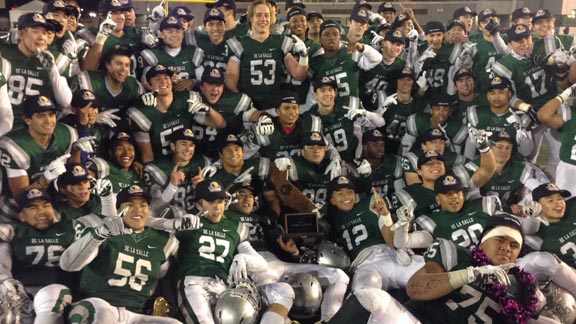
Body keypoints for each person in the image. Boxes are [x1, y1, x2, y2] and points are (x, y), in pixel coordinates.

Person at [327, 214, 544, 324]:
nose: (506, 248)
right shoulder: (455, 253)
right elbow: (416, 289)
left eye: (514, 245)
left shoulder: (523, 284)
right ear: (482, 242)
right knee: (371, 297)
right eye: (500, 240)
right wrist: (471, 273)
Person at [226, 181, 349, 323]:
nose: (247, 198)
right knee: (280, 300)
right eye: (242, 194)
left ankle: (328, 320)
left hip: (277, 263)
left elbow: (273, 209)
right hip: (255, 270)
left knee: (339, 276)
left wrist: (293, 252)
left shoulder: (263, 219)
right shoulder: (225, 218)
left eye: (250, 196)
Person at [60, 185, 183, 324]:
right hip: (94, 305)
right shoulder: (103, 230)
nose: (137, 210)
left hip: (134, 314)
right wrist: (99, 234)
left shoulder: (164, 241)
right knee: (103, 315)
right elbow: (68, 264)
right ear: (118, 210)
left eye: (143, 205)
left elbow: (161, 276)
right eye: (130, 205)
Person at [174, 179, 267, 323]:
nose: (217, 207)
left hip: (222, 287)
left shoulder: (236, 228)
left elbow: (263, 265)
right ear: (199, 205)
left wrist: (243, 258)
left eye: (220, 201)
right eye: (211, 202)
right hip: (193, 283)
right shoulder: (187, 223)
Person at [0, 95, 91, 221]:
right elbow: (21, 197)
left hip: (51, 194)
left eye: (51, 114)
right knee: (45, 219)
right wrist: (46, 178)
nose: (49, 121)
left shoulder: (66, 133)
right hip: (15, 201)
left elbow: (72, 173)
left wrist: (75, 151)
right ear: (27, 120)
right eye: (41, 116)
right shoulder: (13, 146)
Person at [327, 175, 425, 292]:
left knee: (430, 275)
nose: (346, 197)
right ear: (332, 200)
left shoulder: (369, 205)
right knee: (363, 292)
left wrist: (385, 214)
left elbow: (390, 241)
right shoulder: (330, 220)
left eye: (350, 192)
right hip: (363, 264)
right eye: (339, 194)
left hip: (388, 254)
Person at [0, 187, 74, 324]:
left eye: (46, 206)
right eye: (33, 208)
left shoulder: (69, 228)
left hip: (57, 288)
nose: (41, 211)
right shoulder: (14, 230)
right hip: (21, 291)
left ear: (54, 211)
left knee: (50, 296)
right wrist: (4, 281)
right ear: (22, 215)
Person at [127, 64, 225, 163]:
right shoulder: (142, 114)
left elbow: (220, 124)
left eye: (166, 78)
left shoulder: (186, 100)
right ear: (149, 85)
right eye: (157, 79)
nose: (163, 81)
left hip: (187, 161)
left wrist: (209, 110)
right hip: (161, 164)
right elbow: (147, 157)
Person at [225, 0, 308, 110]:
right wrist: (244, 105)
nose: (263, 19)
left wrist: (304, 56)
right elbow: (231, 84)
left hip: (274, 107)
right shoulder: (240, 44)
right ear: (251, 18)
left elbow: (299, 75)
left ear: (271, 18)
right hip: (248, 108)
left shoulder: (280, 42)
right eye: (258, 15)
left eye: (266, 15)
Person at [0, 12, 72, 131]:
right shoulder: (4, 53)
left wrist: (52, 70)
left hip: (37, 129)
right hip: (6, 123)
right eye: (35, 31)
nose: (41, 37)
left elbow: (65, 101)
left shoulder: (53, 59)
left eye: (44, 33)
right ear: (21, 33)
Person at [393, 174, 502, 250]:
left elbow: (509, 228)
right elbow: (402, 242)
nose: (454, 197)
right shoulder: (430, 222)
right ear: (438, 199)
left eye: (457, 192)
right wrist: (403, 225)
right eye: (448, 194)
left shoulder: (483, 205)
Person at [465, 131, 550, 215]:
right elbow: (468, 198)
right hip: (480, 213)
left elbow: (540, 189)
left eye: (508, 148)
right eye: (499, 146)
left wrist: (522, 205)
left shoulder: (519, 169)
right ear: (489, 148)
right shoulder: (473, 168)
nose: (504, 151)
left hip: (511, 214)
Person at [304, 77, 384, 162]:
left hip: (357, 158)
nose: (327, 94)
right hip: (330, 163)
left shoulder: (348, 104)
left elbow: (380, 123)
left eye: (330, 90)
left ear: (335, 93)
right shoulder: (310, 117)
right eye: (323, 90)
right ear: (315, 95)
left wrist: (365, 113)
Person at [310, 19, 382, 110]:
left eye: (335, 34)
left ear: (340, 37)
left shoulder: (351, 52)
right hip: (328, 112)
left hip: (352, 110)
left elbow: (377, 59)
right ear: (320, 38)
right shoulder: (315, 62)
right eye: (326, 34)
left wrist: (362, 48)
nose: (331, 37)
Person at [463, 76, 534, 161]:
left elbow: (527, 152)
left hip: (511, 166)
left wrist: (519, 132)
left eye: (501, 92)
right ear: (488, 96)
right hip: (484, 164)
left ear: (509, 94)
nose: (496, 96)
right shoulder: (475, 113)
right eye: (492, 93)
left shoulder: (520, 117)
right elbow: (470, 144)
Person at [144, 128, 208, 214]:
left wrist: (204, 188)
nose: (188, 149)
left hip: (198, 217)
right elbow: (154, 209)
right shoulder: (156, 169)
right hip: (169, 219)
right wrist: (172, 186)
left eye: (192, 145)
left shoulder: (202, 163)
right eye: (183, 144)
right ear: (173, 146)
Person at [137, 15, 203, 91]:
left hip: (189, 100)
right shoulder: (151, 55)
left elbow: (204, 82)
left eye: (178, 31)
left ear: (182, 34)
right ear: (161, 34)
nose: (174, 35)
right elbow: (146, 85)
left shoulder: (193, 53)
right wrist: (165, 83)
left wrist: (192, 82)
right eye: (170, 31)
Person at [536, 84, 576, 206]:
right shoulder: (570, 115)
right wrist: (567, 92)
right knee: (564, 212)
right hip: (569, 171)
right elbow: (543, 115)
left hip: (568, 171)